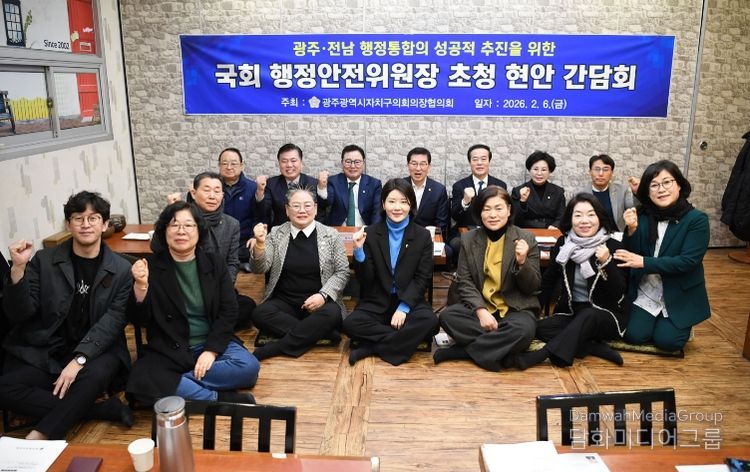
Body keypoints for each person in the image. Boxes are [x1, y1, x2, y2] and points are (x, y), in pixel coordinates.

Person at [0, 191, 133, 440]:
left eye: (93, 218)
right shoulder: (44, 260)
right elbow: (20, 313)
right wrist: (17, 270)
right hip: (49, 348)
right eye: (78, 218)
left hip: (97, 351)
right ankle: (100, 410)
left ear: (104, 225)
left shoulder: (122, 269)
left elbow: (113, 321)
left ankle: (40, 434)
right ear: (68, 225)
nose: (85, 224)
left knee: (94, 376)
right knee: (4, 388)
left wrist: (79, 359)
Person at [127, 201, 259, 405]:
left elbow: (229, 311)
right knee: (141, 380)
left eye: (188, 225)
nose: (181, 231)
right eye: (174, 225)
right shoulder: (150, 266)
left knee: (248, 368)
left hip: (210, 340)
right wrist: (141, 286)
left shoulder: (214, 263)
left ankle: (174, 383)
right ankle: (219, 399)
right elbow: (139, 319)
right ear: (164, 230)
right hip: (169, 348)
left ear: (199, 231)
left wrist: (211, 351)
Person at [513, 194, 628, 369]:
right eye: (578, 215)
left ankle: (541, 355)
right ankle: (590, 347)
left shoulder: (612, 246)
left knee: (588, 315)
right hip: (572, 311)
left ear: (600, 218)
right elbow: (548, 281)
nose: (584, 220)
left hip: (605, 313)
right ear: (570, 219)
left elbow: (618, 292)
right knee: (536, 327)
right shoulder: (563, 244)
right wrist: (533, 311)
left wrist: (607, 263)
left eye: (591, 214)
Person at [435, 186, 540, 371]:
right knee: (447, 316)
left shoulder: (526, 238)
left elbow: (532, 287)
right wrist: (481, 311)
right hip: (481, 308)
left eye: (499, 208)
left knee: (524, 330)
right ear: (479, 212)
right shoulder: (468, 239)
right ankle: (504, 351)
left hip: (514, 310)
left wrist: (522, 262)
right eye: (486, 209)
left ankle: (464, 352)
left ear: (509, 210)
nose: (493, 215)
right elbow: (465, 282)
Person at [614, 160, 710, 351]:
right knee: (634, 336)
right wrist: (631, 229)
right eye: (654, 185)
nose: (661, 189)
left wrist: (644, 262)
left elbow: (687, 262)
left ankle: (676, 322)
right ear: (648, 192)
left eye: (667, 182)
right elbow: (633, 252)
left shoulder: (697, 219)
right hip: (648, 289)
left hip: (678, 292)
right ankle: (654, 320)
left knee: (667, 342)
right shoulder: (642, 214)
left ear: (679, 185)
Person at [343, 179, 439, 366]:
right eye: (392, 201)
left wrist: (403, 308)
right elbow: (366, 280)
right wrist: (359, 250)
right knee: (350, 324)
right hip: (377, 300)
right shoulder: (370, 233)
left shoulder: (422, 236)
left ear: (411, 204)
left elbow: (422, 279)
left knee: (431, 322)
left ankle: (372, 348)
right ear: (383, 204)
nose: (397, 207)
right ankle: (400, 342)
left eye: (403, 202)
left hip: (409, 300)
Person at [249, 188, 350, 360]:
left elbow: (342, 272)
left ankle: (276, 348)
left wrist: (323, 295)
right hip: (284, 301)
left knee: (333, 313)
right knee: (259, 314)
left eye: (307, 205)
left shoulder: (331, 235)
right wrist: (259, 244)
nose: (302, 210)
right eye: (296, 206)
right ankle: (320, 332)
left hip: (319, 302)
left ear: (315, 209)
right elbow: (259, 269)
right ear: (287, 210)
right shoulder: (276, 233)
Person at [160, 172, 256, 329]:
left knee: (248, 306)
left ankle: (198, 322)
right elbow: (159, 248)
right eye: (206, 190)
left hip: (218, 287)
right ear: (193, 193)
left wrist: (223, 288)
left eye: (217, 191)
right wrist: (170, 212)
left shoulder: (231, 224)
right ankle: (206, 322)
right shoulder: (182, 221)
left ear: (222, 195)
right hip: (184, 288)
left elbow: (232, 262)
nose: (212, 196)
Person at [449, 144, 507, 264]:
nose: (479, 163)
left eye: (483, 159)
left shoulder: (500, 185)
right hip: (466, 231)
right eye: (475, 159)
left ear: (489, 161)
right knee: (456, 243)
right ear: (470, 162)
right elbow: (455, 216)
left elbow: (504, 213)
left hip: (493, 231)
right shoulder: (459, 185)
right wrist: (465, 202)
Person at [255, 143, 321, 229]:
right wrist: (260, 191)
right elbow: (263, 212)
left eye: (293, 161)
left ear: (301, 163)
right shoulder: (271, 184)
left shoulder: (313, 183)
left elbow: (320, 212)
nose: (289, 165)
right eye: (284, 161)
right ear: (279, 164)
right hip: (280, 232)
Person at [217, 147, 260, 272]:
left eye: (233, 163)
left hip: (244, 243)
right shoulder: (214, 188)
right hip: (219, 244)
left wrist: (254, 237)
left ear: (242, 165)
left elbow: (259, 217)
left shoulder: (253, 188)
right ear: (219, 166)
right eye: (224, 163)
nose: (229, 167)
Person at [318, 144, 382, 227]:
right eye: (348, 162)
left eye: (357, 162)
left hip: (364, 230)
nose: (352, 166)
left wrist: (372, 232)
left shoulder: (374, 184)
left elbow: (377, 213)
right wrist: (322, 188)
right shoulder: (333, 182)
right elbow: (326, 203)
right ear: (342, 163)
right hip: (338, 231)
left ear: (363, 163)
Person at [577, 154, 638, 232]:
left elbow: (634, 209)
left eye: (605, 169)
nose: (601, 173)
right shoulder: (579, 194)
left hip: (616, 235)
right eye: (597, 169)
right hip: (590, 236)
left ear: (611, 173)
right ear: (590, 172)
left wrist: (636, 192)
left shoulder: (622, 191)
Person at [403, 147, 450, 241]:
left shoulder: (438, 190)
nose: (418, 168)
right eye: (414, 163)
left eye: (423, 164)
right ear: (408, 165)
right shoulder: (399, 187)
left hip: (428, 238)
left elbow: (442, 223)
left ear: (429, 167)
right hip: (402, 236)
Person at [511, 151, 566, 229]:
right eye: (535, 169)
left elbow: (562, 217)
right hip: (526, 232)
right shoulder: (518, 191)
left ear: (550, 171)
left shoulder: (558, 192)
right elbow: (515, 219)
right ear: (529, 170)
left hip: (552, 231)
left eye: (544, 170)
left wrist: (554, 227)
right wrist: (522, 201)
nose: (539, 173)